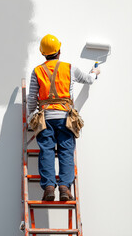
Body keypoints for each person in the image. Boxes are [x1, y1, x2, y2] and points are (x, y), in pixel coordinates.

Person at [27, 34, 100, 201]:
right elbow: (88, 79)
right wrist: (95, 72)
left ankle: (49, 188)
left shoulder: (37, 71)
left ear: (43, 53)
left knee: (46, 151)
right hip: (66, 117)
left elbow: (32, 98)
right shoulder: (69, 68)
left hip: (45, 118)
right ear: (59, 51)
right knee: (66, 152)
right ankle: (65, 189)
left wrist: (31, 117)